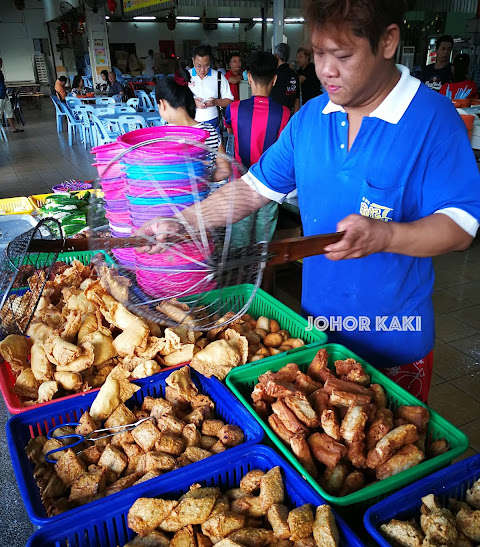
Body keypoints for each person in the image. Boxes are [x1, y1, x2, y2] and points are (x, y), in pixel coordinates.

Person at [142, 0, 480, 404]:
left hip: (395, 340)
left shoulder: (433, 118)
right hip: (316, 330)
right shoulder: (310, 118)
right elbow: (253, 188)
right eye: (319, 54)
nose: (326, 70)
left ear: (388, 41)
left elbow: (460, 226)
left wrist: (386, 236)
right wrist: (184, 220)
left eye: (343, 55)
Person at [224, 51, 290, 248]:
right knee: (263, 247)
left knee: (238, 244)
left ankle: (240, 278)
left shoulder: (233, 109)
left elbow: (230, 131)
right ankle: (262, 277)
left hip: (241, 183)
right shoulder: (284, 114)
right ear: (275, 79)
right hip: (269, 185)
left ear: (249, 77)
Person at [155, 68, 230, 183]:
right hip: (203, 197)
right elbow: (225, 170)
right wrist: (203, 180)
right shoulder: (210, 132)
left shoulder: (163, 136)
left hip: (174, 197)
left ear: (163, 104)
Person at [188, 45, 233, 128]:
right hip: (190, 121)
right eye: (198, 66)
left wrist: (215, 102)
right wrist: (192, 102)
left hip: (213, 121)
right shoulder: (186, 76)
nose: (202, 70)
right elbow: (176, 102)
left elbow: (229, 100)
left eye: (206, 65)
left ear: (210, 62)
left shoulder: (218, 77)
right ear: (193, 61)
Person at [270, 43, 300, 114]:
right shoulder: (294, 75)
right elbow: (297, 100)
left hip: (275, 115)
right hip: (289, 115)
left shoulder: (274, 74)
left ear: (277, 57)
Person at [0, 58, 23, 133]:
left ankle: (13, 128)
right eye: (0, 63)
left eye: (1, 63)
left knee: (9, 111)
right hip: (0, 96)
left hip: (4, 95)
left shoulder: (0, 72)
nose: (1, 65)